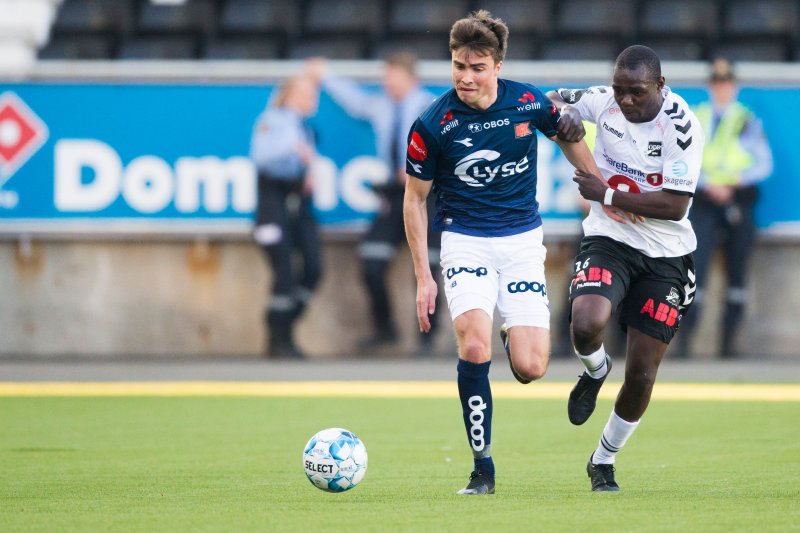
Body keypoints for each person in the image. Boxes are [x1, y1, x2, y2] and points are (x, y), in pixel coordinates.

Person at [403, 10, 599, 495]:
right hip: (464, 240)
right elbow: (414, 199)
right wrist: (423, 277)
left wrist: (601, 189)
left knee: (532, 367)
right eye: (457, 66)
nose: (465, 77)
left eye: (476, 67)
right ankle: (482, 468)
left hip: (520, 243)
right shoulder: (433, 123)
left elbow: (569, 136)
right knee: (473, 344)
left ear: (497, 65)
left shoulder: (527, 101)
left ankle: (514, 329)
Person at [548, 44, 704, 492]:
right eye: (620, 91)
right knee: (585, 323)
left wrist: (608, 194)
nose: (626, 100)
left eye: (636, 91)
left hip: (667, 255)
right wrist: (565, 116)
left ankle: (603, 460)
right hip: (610, 239)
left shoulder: (682, 127)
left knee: (641, 371)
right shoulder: (605, 99)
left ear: (660, 85)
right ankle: (595, 370)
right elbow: (546, 101)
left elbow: (674, 206)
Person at [307, 53, 442, 355]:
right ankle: (385, 329)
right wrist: (325, 74)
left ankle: (427, 340)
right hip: (395, 195)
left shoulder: (430, 107)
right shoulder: (381, 105)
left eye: (394, 77)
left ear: (411, 79)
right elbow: (354, 102)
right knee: (371, 261)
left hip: (428, 193)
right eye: (386, 77)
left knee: (428, 265)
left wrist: (419, 168)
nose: (388, 83)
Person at [673, 58, 773, 359]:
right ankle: (685, 343)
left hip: (737, 197)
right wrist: (708, 184)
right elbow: (681, 158)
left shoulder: (746, 119)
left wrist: (732, 183)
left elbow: (764, 164)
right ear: (710, 86)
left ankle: (729, 344)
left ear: (734, 86)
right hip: (703, 199)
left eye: (726, 83)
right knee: (694, 271)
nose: (722, 88)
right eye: (717, 83)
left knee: (737, 274)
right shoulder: (696, 116)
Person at [249, 75, 323, 359]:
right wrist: (293, 148)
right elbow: (262, 157)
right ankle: (278, 336)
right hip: (272, 203)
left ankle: (286, 325)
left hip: (298, 203)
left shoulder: (306, 128)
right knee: (284, 270)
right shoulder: (274, 120)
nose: (312, 100)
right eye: (306, 93)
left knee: (314, 267)